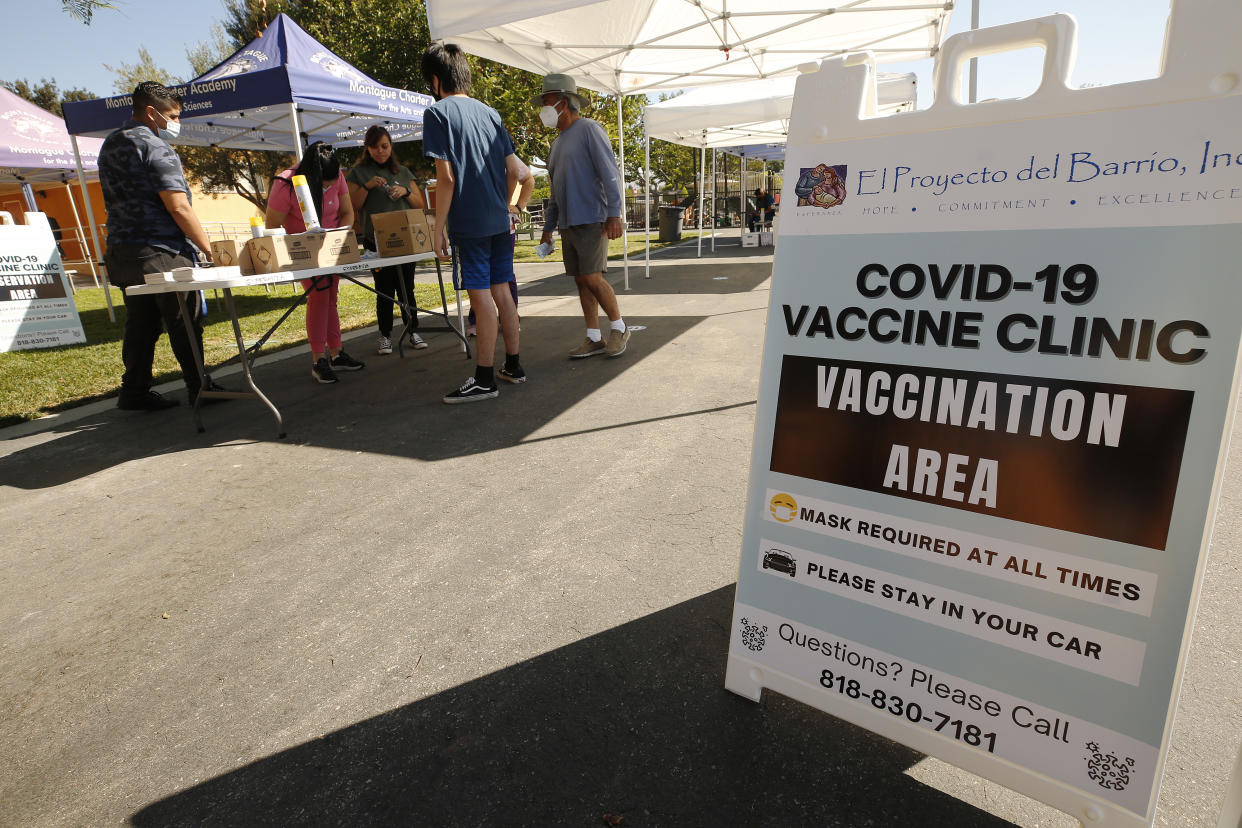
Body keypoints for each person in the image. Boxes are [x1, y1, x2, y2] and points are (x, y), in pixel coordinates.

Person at [98, 80, 226, 410]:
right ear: (152, 112)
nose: (176, 123)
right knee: (184, 318)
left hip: (123, 250)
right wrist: (210, 248)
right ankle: (200, 386)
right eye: (172, 116)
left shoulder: (111, 144)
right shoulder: (155, 146)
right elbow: (178, 206)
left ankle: (134, 392)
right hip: (162, 250)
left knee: (141, 323)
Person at [421, 42, 525, 403]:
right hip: (499, 218)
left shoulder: (437, 114)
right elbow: (516, 168)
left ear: (435, 81)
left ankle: (484, 378)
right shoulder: (491, 113)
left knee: (480, 295)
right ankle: (512, 365)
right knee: (502, 290)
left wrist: (438, 227)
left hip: (471, 221)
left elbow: (446, 178)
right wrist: (509, 203)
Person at [535, 73, 630, 359]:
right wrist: (548, 229)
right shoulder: (557, 144)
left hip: (592, 218)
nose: (544, 110)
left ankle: (619, 327)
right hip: (569, 223)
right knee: (581, 279)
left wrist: (615, 214)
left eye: (548, 102)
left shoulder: (589, 129)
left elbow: (610, 174)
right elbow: (555, 192)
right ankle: (593, 337)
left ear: (565, 103)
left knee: (591, 277)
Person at [264, 142, 365, 384]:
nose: (329, 186)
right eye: (324, 183)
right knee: (319, 297)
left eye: (332, 181)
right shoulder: (285, 183)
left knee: (331, 297)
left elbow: (348, 212)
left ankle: (336, 352)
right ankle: (319, 359)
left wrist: (340, 237)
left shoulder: (337, 175)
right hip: (303, 254)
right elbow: (271, 225)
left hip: (331, 251)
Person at [346, 125, 427, 355]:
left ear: (391, 146)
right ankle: (385, 336)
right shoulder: (359, 173)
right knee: (384, 291)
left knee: (407, 288)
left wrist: (406, 193)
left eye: (384, 146)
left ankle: (412, 331)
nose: (380, 151)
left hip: (405, 240)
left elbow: (420, 205)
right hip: (376, 242)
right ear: (367, 148)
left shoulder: (402, 171)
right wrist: (367, 186)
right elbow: (352, 205)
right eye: (375, 147)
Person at [466, 153, 533, 336]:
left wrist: (517, 206)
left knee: (503, 276)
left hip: (502, 224)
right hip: (477, 224)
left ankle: (510, 319)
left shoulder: (505, 152)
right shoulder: (472, 152)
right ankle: (477, 320)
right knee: (481, 277)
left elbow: (527, 179)